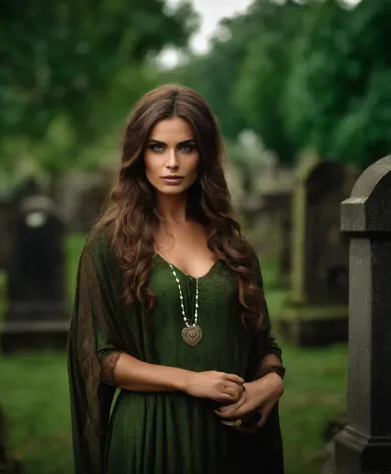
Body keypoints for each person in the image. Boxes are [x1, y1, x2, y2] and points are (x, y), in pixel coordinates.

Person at [67, 84, 286, 474]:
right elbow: (99, 357)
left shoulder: (234, 245)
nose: (172, 162)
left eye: (186, 147)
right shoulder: (110, 243)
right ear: (139, 154)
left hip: (231, 442)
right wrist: (188, 381)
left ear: (204, 154)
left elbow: (263, 343)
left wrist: (270, 383)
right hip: (149, 439)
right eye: (157, 147)